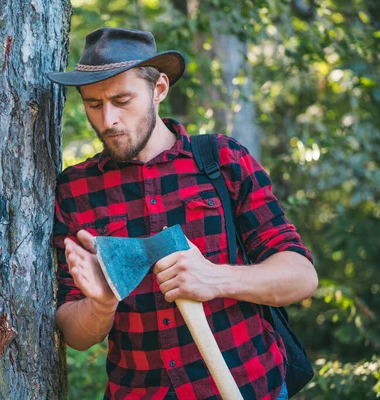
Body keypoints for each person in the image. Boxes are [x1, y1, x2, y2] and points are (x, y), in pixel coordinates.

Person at [48, 27, 318, 400]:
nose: (108, 119)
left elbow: (302, 277)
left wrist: (216, 279)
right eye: (94, 104)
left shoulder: (222, 162)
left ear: (159, 89)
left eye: (122, 99)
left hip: (253, 387)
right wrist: (101, 304)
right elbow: (74, 334)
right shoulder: (76, 190)